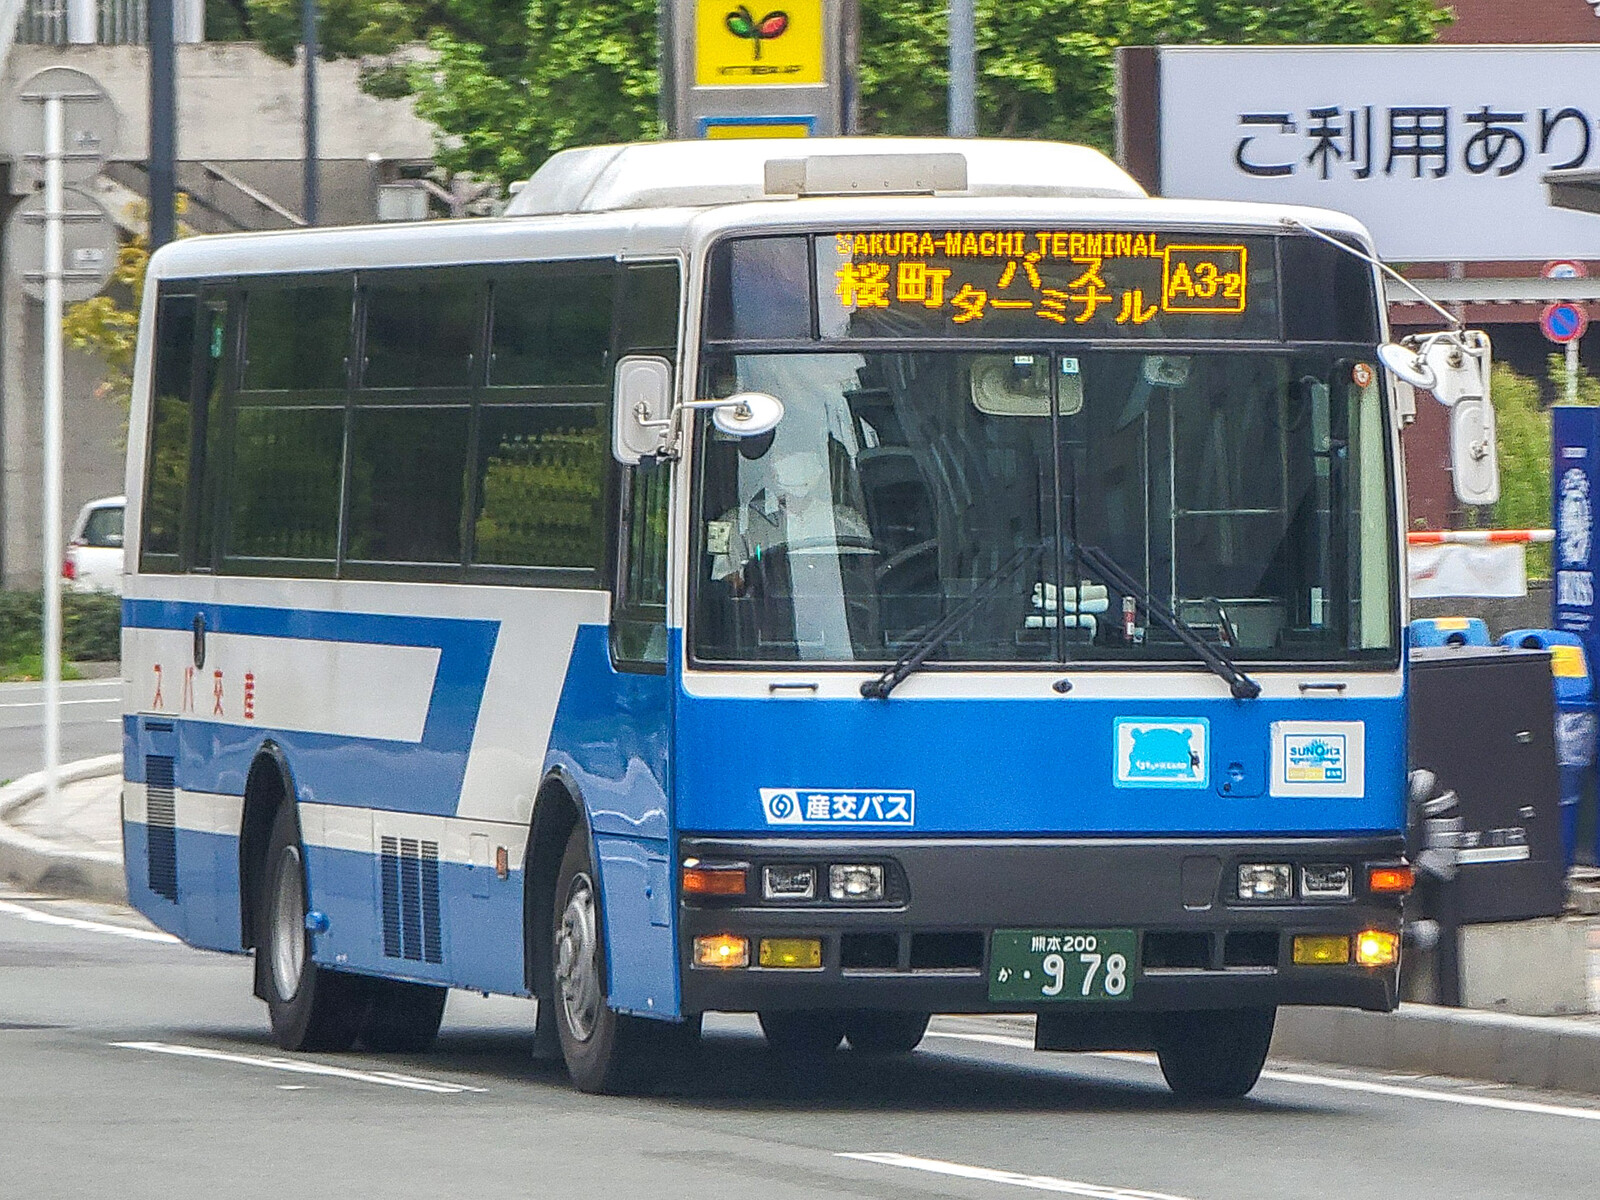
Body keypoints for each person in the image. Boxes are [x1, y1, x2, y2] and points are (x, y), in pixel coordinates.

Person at [706, 445, 873, 593]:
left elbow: (868, 576)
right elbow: (721, 586)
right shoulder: (727, 524)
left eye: (803, 452)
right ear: (768, 467)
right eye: (785, 455)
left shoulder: (849, 521)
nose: (796, 464)